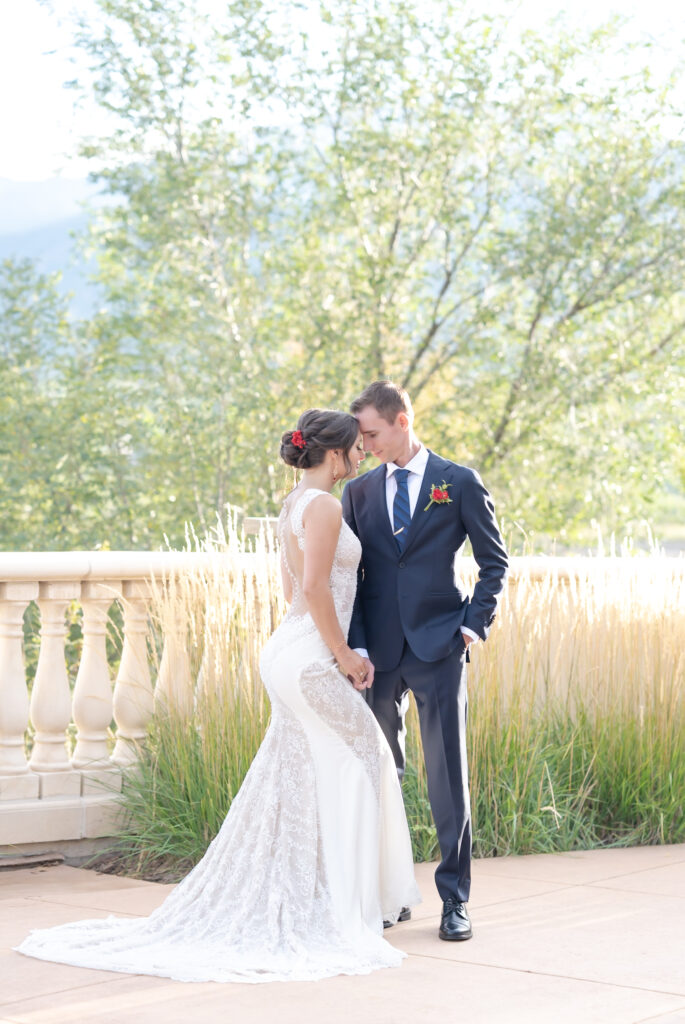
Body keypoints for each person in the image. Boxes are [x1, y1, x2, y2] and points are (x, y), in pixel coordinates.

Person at [15, 408, 420, 984]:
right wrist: (345, 655)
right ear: (333, 454)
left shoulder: (292, 505)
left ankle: (339, 894)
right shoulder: (326, 505)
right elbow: (312, 589)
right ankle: (347, 905)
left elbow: (292, 591)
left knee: (311, 768)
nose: (361, 457)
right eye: (355, 449)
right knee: (365, 756)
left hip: (288, 648)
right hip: (310, 658)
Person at [342, 381, 508, 942]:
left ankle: (454, 901)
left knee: (447, 778)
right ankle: (392, 893)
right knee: (380, 774)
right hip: (378, 657)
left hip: (440, 648)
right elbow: (356, 580)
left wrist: (470, 628)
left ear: (401, 421)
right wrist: (358, 646)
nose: (363, 446)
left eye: (370, 434)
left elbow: (494, 564)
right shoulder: (359, 493)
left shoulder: (457, 483)